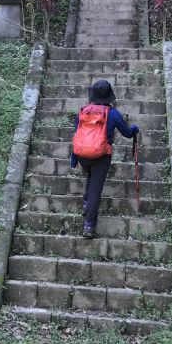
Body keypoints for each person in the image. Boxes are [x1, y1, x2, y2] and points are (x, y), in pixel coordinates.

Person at [70, 79, 139, 239]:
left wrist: (74, 159)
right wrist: (135, 129)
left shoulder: (83, 111)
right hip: (101, 156)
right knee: (96, 188)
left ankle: (87, 204)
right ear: (109, 96)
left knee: (91, 176)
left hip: (82, 155)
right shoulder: (112, 113)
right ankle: (89, 225)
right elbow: (127, 133)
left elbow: (76, 135)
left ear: (93, 94)